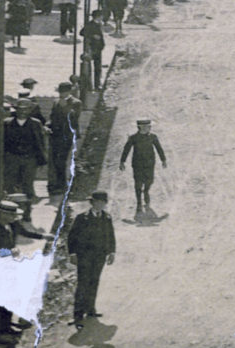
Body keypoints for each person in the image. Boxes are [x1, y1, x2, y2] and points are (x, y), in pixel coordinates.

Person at [66, 191, 116, 328]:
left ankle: (90, 310)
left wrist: (111, 252)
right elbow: (72, 237)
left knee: (94, 281)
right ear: (92, 203)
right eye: (97, 202)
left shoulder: (107, 218)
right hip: (84, 256)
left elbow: (110, 236)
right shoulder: (82, 218)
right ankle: (78, 315)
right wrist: (72, 254)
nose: (100, 205)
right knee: (83, 284)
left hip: (99, 256)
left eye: (102, 203)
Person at [119, 119, 167, 214]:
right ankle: (139, 202)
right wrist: (122, 161)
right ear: (140, 127)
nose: (149, 128)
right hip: (137, 164)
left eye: (149, 126)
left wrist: (163, 160)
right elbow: (126, 149)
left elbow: (159, 149)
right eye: (147, 126)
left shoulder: (153, 137)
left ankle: (146, 192)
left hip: (150, 164)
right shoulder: (133, 138)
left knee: (149, 181)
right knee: (138, 183)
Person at [3, 98, 46, 203]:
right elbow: (2, 141)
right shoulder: (7, 123)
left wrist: (41, 159)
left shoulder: (35, 124)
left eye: (26, 109)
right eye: (20, 109)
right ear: (16, 110)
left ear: (30, 110)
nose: (23, 112)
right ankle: (10, 201)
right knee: (10, 181)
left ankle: (28, 202)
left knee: (28, 181)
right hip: (12, 156)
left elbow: (40, 142)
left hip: (29, 157)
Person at [47, 82, 80, 198]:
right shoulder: (56, 102)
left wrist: (63, 106)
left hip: (67, 136)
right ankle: (57, 184)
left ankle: (61, 185)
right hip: (55, 135)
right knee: (55, 160)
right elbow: (52, 117)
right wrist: (47, 125)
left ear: (69, 91)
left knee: (61, 160)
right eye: (61, 92)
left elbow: (73, 119)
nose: (62, 94)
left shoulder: (75, 103)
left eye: (64, 91)